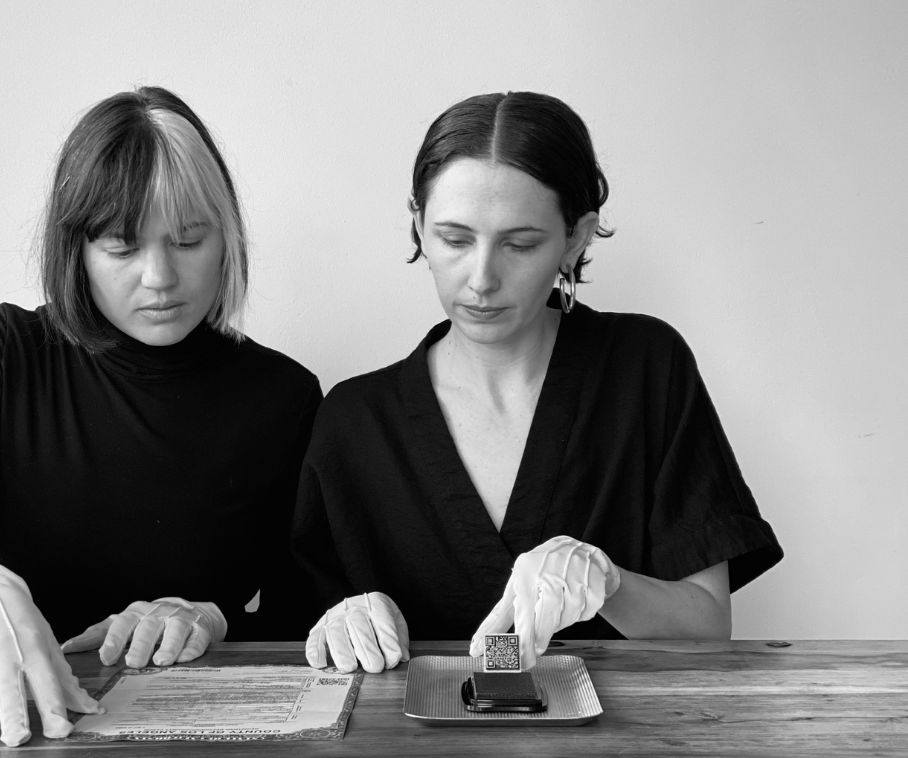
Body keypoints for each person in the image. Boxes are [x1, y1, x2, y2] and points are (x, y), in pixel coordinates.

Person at [0, 87, 322, 747]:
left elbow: (302, 616)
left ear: (227, 239)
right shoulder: (6, 354)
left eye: (189, 239)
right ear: (76, 249)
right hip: (29, 729)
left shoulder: (286, 396)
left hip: (207, 729)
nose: (160, 276)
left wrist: (211, 620)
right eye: (122, 246)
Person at [293, 91, 782, 674]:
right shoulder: (353, 421)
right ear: (419, 226)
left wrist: (610, 584)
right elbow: (298, 630)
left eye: (519, 245)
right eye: (453, 239)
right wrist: (340, 622)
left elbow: (708, 626)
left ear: (575, 239)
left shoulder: (646, 369)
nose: (481, 279)